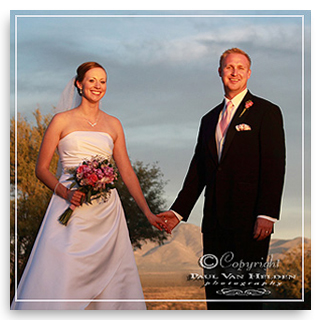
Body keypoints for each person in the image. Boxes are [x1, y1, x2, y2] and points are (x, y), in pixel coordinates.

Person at [11, 62, 170, 310]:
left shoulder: (113, 124)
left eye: (103, 81)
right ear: (79, 84)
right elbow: (41, 169)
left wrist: (147, 212)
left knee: (113, 279)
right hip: (70, 208)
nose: (98, 86)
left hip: (106, 213)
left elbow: (126, 171)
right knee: (64, 271)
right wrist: (66, 192)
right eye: (92, 80)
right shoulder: (61, 121)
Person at [158, 48, 286, 310]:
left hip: (250, 222)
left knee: (245, 297)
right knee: (216, 299)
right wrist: (178, 211)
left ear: (249, 73)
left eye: (240, 67)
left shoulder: (266, 112)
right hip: (214, 222)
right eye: (229, 67)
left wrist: (267, 213)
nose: (234, 72)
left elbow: (274, 165)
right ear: (220, 72)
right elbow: (199, 170)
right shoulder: (208, 119)